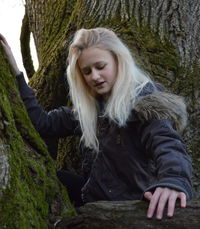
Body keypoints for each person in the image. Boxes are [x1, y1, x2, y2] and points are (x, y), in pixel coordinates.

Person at [0, 28, 193, 220]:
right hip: (93, 197)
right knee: (44, 176)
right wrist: (17, 74)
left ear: (119, 61)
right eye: (87, 71)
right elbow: (43, 124)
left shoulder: (144, 102)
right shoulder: (90, 110)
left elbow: (168, 145)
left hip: (132, 207)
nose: (94, 76)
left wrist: (173, 180)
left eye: (101, 66)